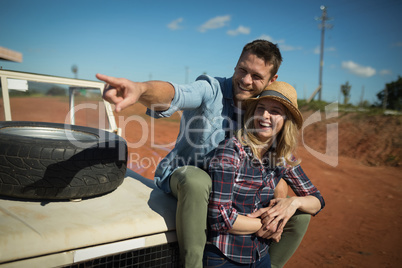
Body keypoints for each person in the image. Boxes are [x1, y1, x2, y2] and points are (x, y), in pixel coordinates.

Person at [96, 40, 310, 268]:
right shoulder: (211, 89)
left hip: (232, 190)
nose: (246, 80)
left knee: (296, 213)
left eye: (256, 76)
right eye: (242, 70)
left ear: (272, 80)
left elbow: (279, 163)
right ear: (236, 65)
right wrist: (141, 89)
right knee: (199, 181)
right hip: (187, 176)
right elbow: (176, 93)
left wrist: (287, 202)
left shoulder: (264, 111)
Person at [204, 81, 325, 267]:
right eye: (260, 108)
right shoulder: (231, 151)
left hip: (260, 255)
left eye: (275, 111)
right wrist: (270, 223)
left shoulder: (282, 157)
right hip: (224, 257)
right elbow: (220, 218)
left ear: (286, 121)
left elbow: (317, 200)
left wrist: (293, 202)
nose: (265, 116)